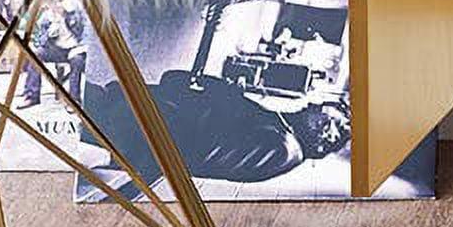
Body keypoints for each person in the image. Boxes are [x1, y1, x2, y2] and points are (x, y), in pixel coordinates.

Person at [83, 72, 351, 190]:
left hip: (141, 128)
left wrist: (223, 94)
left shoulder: (281, 150)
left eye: (322, 112)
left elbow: (205, 148)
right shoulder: (284, 133)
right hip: (145, 117)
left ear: (323, 135)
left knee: (69, 103)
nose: (315, 103)